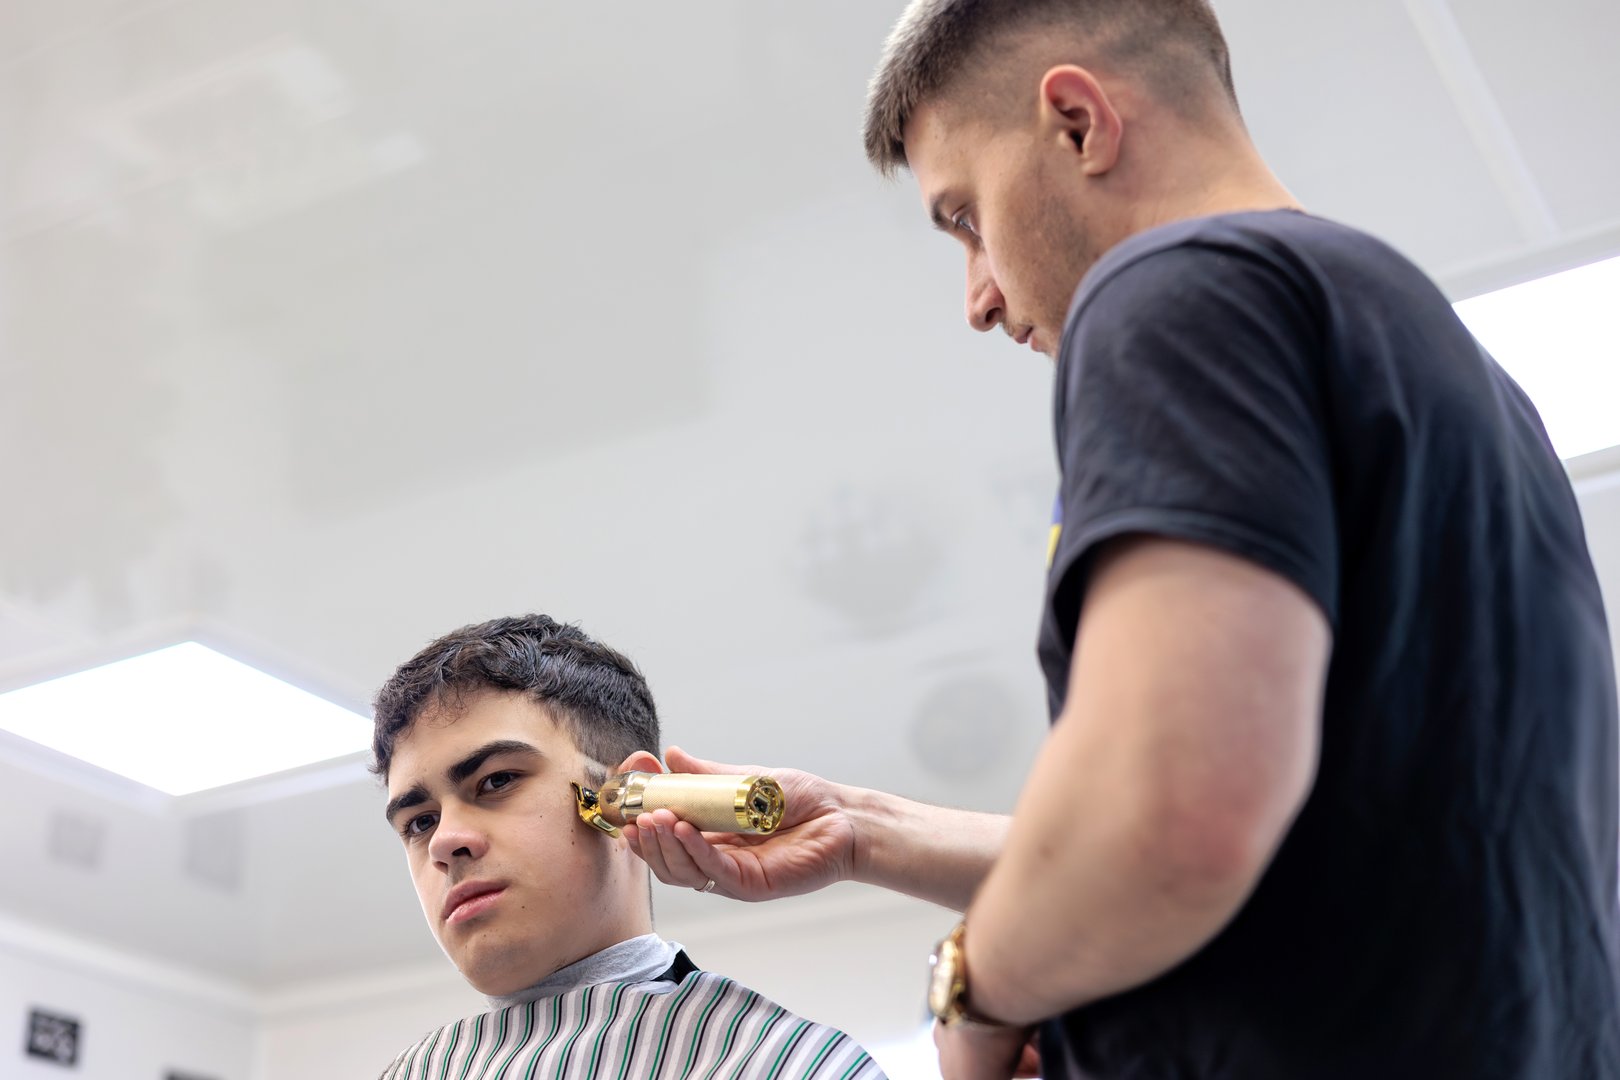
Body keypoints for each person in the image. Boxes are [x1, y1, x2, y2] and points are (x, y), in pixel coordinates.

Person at [626, 1, 1620, 1078]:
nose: (979, 298)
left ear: (1077, 123)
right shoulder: (1453, 373)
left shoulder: (1179, 290)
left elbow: (1177, 819)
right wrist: (862, 827)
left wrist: (971, 986)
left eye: (964, 218)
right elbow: (1290, 831)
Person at [369, 614, 883, 1079]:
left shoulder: (786, 1064)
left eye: (497, 780)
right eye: (419, 822)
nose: (445, 843)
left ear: (626, 799)